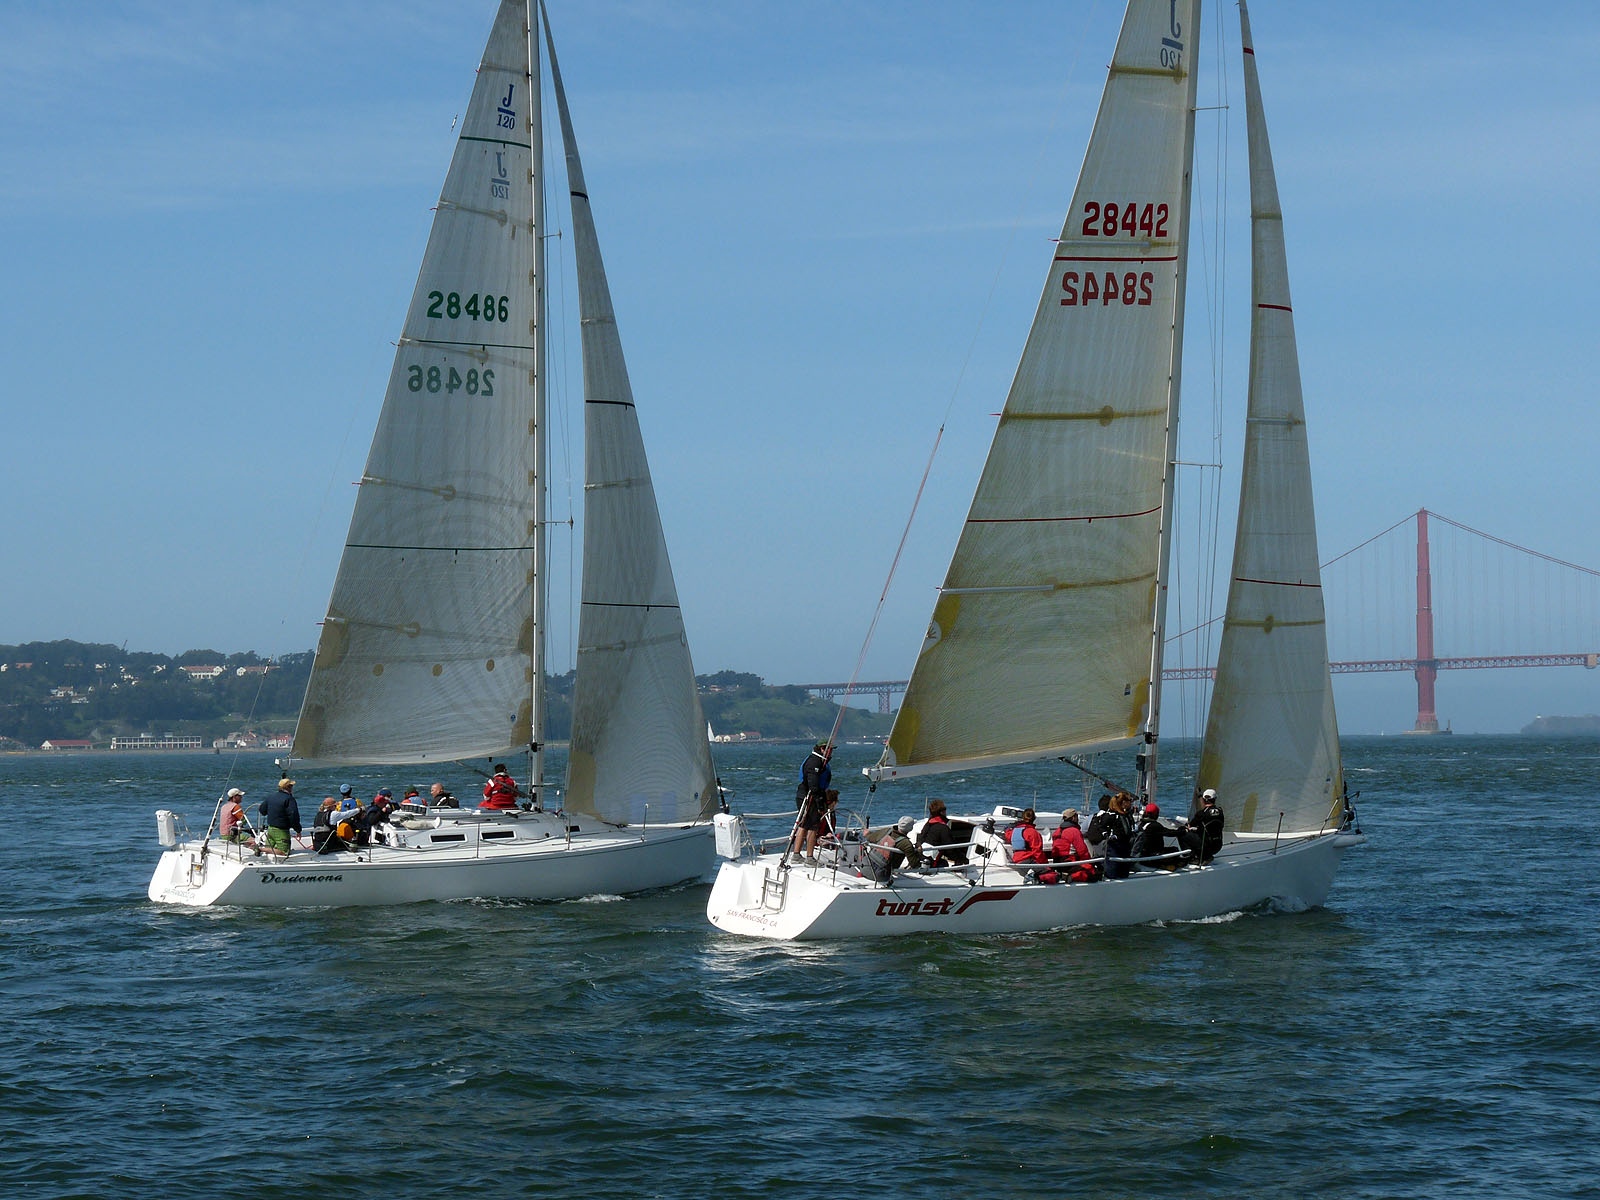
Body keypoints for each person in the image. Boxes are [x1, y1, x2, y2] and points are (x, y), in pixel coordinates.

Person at [1007, 808, 1059, 883]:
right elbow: (1037, 852)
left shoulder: (1013, 832)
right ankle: (1035, 877)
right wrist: (1045, 865)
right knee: (1054, 876)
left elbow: (1007, 835)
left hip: (1017, 862)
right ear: (1034, 818)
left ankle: (1033, 877)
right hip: (1029, 862)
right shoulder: (1032, 832)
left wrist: (1009, 828)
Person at [865, 815, 920, 883]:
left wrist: (868, 833)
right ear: (911, 828)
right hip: (880, 876)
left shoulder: (886, 831)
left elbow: (869, 838)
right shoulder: (906, 844)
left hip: (865, 867)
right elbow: (915, 864)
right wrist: (919, 851)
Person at [1130, 802, 1182, 871]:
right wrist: (1182, 830)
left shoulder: (1141, 824)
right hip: (1152, 858)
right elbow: (1170, 833)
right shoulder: (1155, 826)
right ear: (1156, 814)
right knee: (1174, 850)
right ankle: (1164, 865)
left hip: (1142, 856)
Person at [1050, 809, 1098, 882]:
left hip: (1058, 863)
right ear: (1073, 818)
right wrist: (1090, 862)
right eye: (1077, 816)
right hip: (1070, 863)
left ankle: (1065, 875)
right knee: (1092, 875)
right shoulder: (1074, 831)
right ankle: (1072, 876)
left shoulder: (1057, 831)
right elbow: (1083, 852)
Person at [258, 778, 302, 856]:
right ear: (289, 787)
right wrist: (298, 830)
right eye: (291, 786)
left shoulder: (271, 796)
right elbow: (293, 816)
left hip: (270, 829)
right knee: (284, 852)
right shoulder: (289, 799)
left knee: (269, 850)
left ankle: (262, 850)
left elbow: (262, 810)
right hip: (282, 831)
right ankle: (260, 849)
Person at [917, 798, 958, 867]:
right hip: (933, 862)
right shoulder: (943, 828)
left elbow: (920, 840)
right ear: (942, 812)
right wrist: (962, 859)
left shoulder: (927, 825)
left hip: (921, 859)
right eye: (945, 810)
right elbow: (950, 850)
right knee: (944, 863)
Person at [1188, 789, 1225, 864]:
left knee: (1184, 835)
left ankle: (1194, 857)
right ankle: (1205, 856)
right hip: (1218, 845)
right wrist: (1200, 796)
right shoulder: (1220, 811)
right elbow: (1209, 812)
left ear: (1204, 800)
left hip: (1206, 847)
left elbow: (1190, 826)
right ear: (1215, 799)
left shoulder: (1201, 813)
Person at [795, 742, 833, 808]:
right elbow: (813, 783)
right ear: (822, 749)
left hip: (818, 794)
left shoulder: (821, 761)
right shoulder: (814, 762)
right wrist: (819, 800)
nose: (831, 752)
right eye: (830, 750)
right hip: (809, 796)